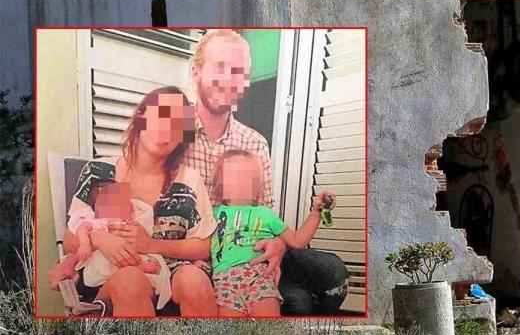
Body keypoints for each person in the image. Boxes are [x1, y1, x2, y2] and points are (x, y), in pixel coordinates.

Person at [184, 29, 348, 314]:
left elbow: (265, 214)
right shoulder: (172, 135)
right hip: (208, 255)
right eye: (220, 67)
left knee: (333, 270)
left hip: (254, 250)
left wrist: (277, 245)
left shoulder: (254, 142)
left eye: (238, 72)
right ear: (196, 70)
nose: (229, 79)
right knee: (298, 302)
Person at [48, 86, 218, 317]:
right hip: (113, 273)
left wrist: (151, 245)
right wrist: (100, 239)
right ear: (142, 115)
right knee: (131, 280)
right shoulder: (101, 172)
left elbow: (203, 246)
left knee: (195, 281)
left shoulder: (189, 180)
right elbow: (70, 239)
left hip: (172, 269)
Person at [209, 150, 334, 317]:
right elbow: (198, 240)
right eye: (237, 174)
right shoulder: (212, 214)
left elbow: (298, 240)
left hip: (259, 276)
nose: (245, 180)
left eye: (250, 175)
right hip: (223, 280)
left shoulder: (265, 213)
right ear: (220, 183)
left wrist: (317, 212)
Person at [52, 181, 172, 311]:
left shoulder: (128, 217)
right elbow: (81, 229)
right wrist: (86, 244)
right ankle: (139, 267)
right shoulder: (94, 221)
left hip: (131, 262)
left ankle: (138, 267)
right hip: (103, 264)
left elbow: (143, 231)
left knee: (130, 255)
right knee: (118, 266)